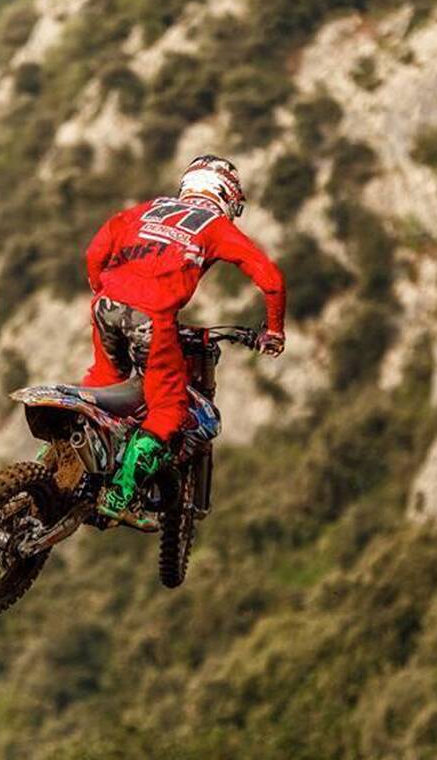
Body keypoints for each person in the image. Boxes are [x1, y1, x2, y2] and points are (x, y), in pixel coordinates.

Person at [83, 154, 287, 525]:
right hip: (151, 317)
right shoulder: (215, 227)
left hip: (105, 305)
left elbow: (96, 251)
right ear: (226, 195)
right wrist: (273, 331)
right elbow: (270, 279)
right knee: (169, 408)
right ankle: (119, 494)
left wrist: (103, 290)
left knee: (102, 386)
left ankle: (66, 469)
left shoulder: (149, 208)